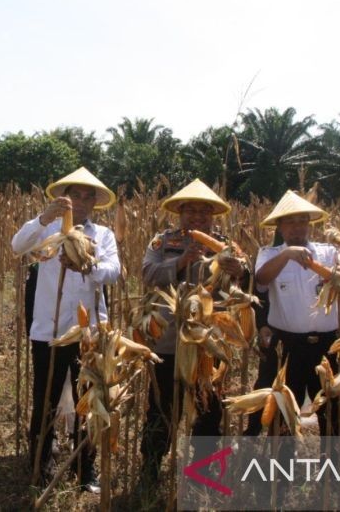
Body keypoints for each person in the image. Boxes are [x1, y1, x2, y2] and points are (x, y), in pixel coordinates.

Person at [11, 167, 120, 492]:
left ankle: (85, 469)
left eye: (89, 196)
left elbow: (114, 271)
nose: (82, 201)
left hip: (90, 334)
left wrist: (88, 266)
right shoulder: (47, 229)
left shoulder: (103, 235)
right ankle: (39, 467)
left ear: (96, 203)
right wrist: (43, 218)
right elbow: (17, 246)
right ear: (65, 197)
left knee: (89, 401)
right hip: (50, 330)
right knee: (44, 401)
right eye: (76, 195)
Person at [138, 179, 247, 487]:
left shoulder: (227, 245)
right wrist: (181, 261)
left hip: (209, 344)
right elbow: (147, 274)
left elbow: (245, 281)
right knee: (161, 409)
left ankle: (202, 474)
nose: (198, 217)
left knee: (209, 411)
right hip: (170, 340)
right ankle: (150, 470)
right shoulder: (163, 241)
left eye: (204, 211)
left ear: (213, 215)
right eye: (191, 211)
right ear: (180, 213)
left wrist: (238, 272)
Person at [254, 190, 340, 437]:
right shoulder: (269, 254)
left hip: (327, 346)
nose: (297, 228)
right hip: (287, 346)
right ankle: (283, 469)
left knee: (331, 409)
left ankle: (333, 468)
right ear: (280, 227)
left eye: (302, 221)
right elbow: (261, 280)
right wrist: (286, 255)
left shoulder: (328, 253)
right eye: (290, 222)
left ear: (309, 225)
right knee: (285, 409)